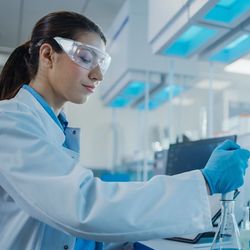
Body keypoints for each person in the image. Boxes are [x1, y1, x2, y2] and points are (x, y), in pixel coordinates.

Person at [0, 11, 249, 250]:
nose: (97, 75)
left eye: (101, 64)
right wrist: (205, 182)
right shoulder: (10, 120)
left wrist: (109, 243)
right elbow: (80, 204)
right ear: (47, 55)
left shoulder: (54, 128)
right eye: (86, 58)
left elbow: (55, 218)